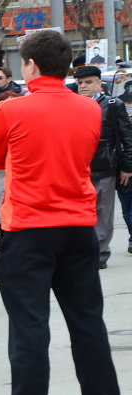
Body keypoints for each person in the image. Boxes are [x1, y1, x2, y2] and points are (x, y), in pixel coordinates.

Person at [0, 30, 121, 395]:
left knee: (29, 328)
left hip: (28, 229)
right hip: (79, 226)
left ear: (31, 66)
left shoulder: (11, 110)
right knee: (87, 323)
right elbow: (87, 155)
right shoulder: (88, 109)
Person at [73, 66, 132, 269]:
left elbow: (127, 137)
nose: (84, 86)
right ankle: (84, 252)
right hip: (77, 169)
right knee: (81, 214)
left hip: (104, 167)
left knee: (103, 213)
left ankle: (100, 254)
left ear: (100, 84)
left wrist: (127, 166)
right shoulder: (73, 105)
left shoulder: (113, 105)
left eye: (88, 82)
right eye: (80, 83)